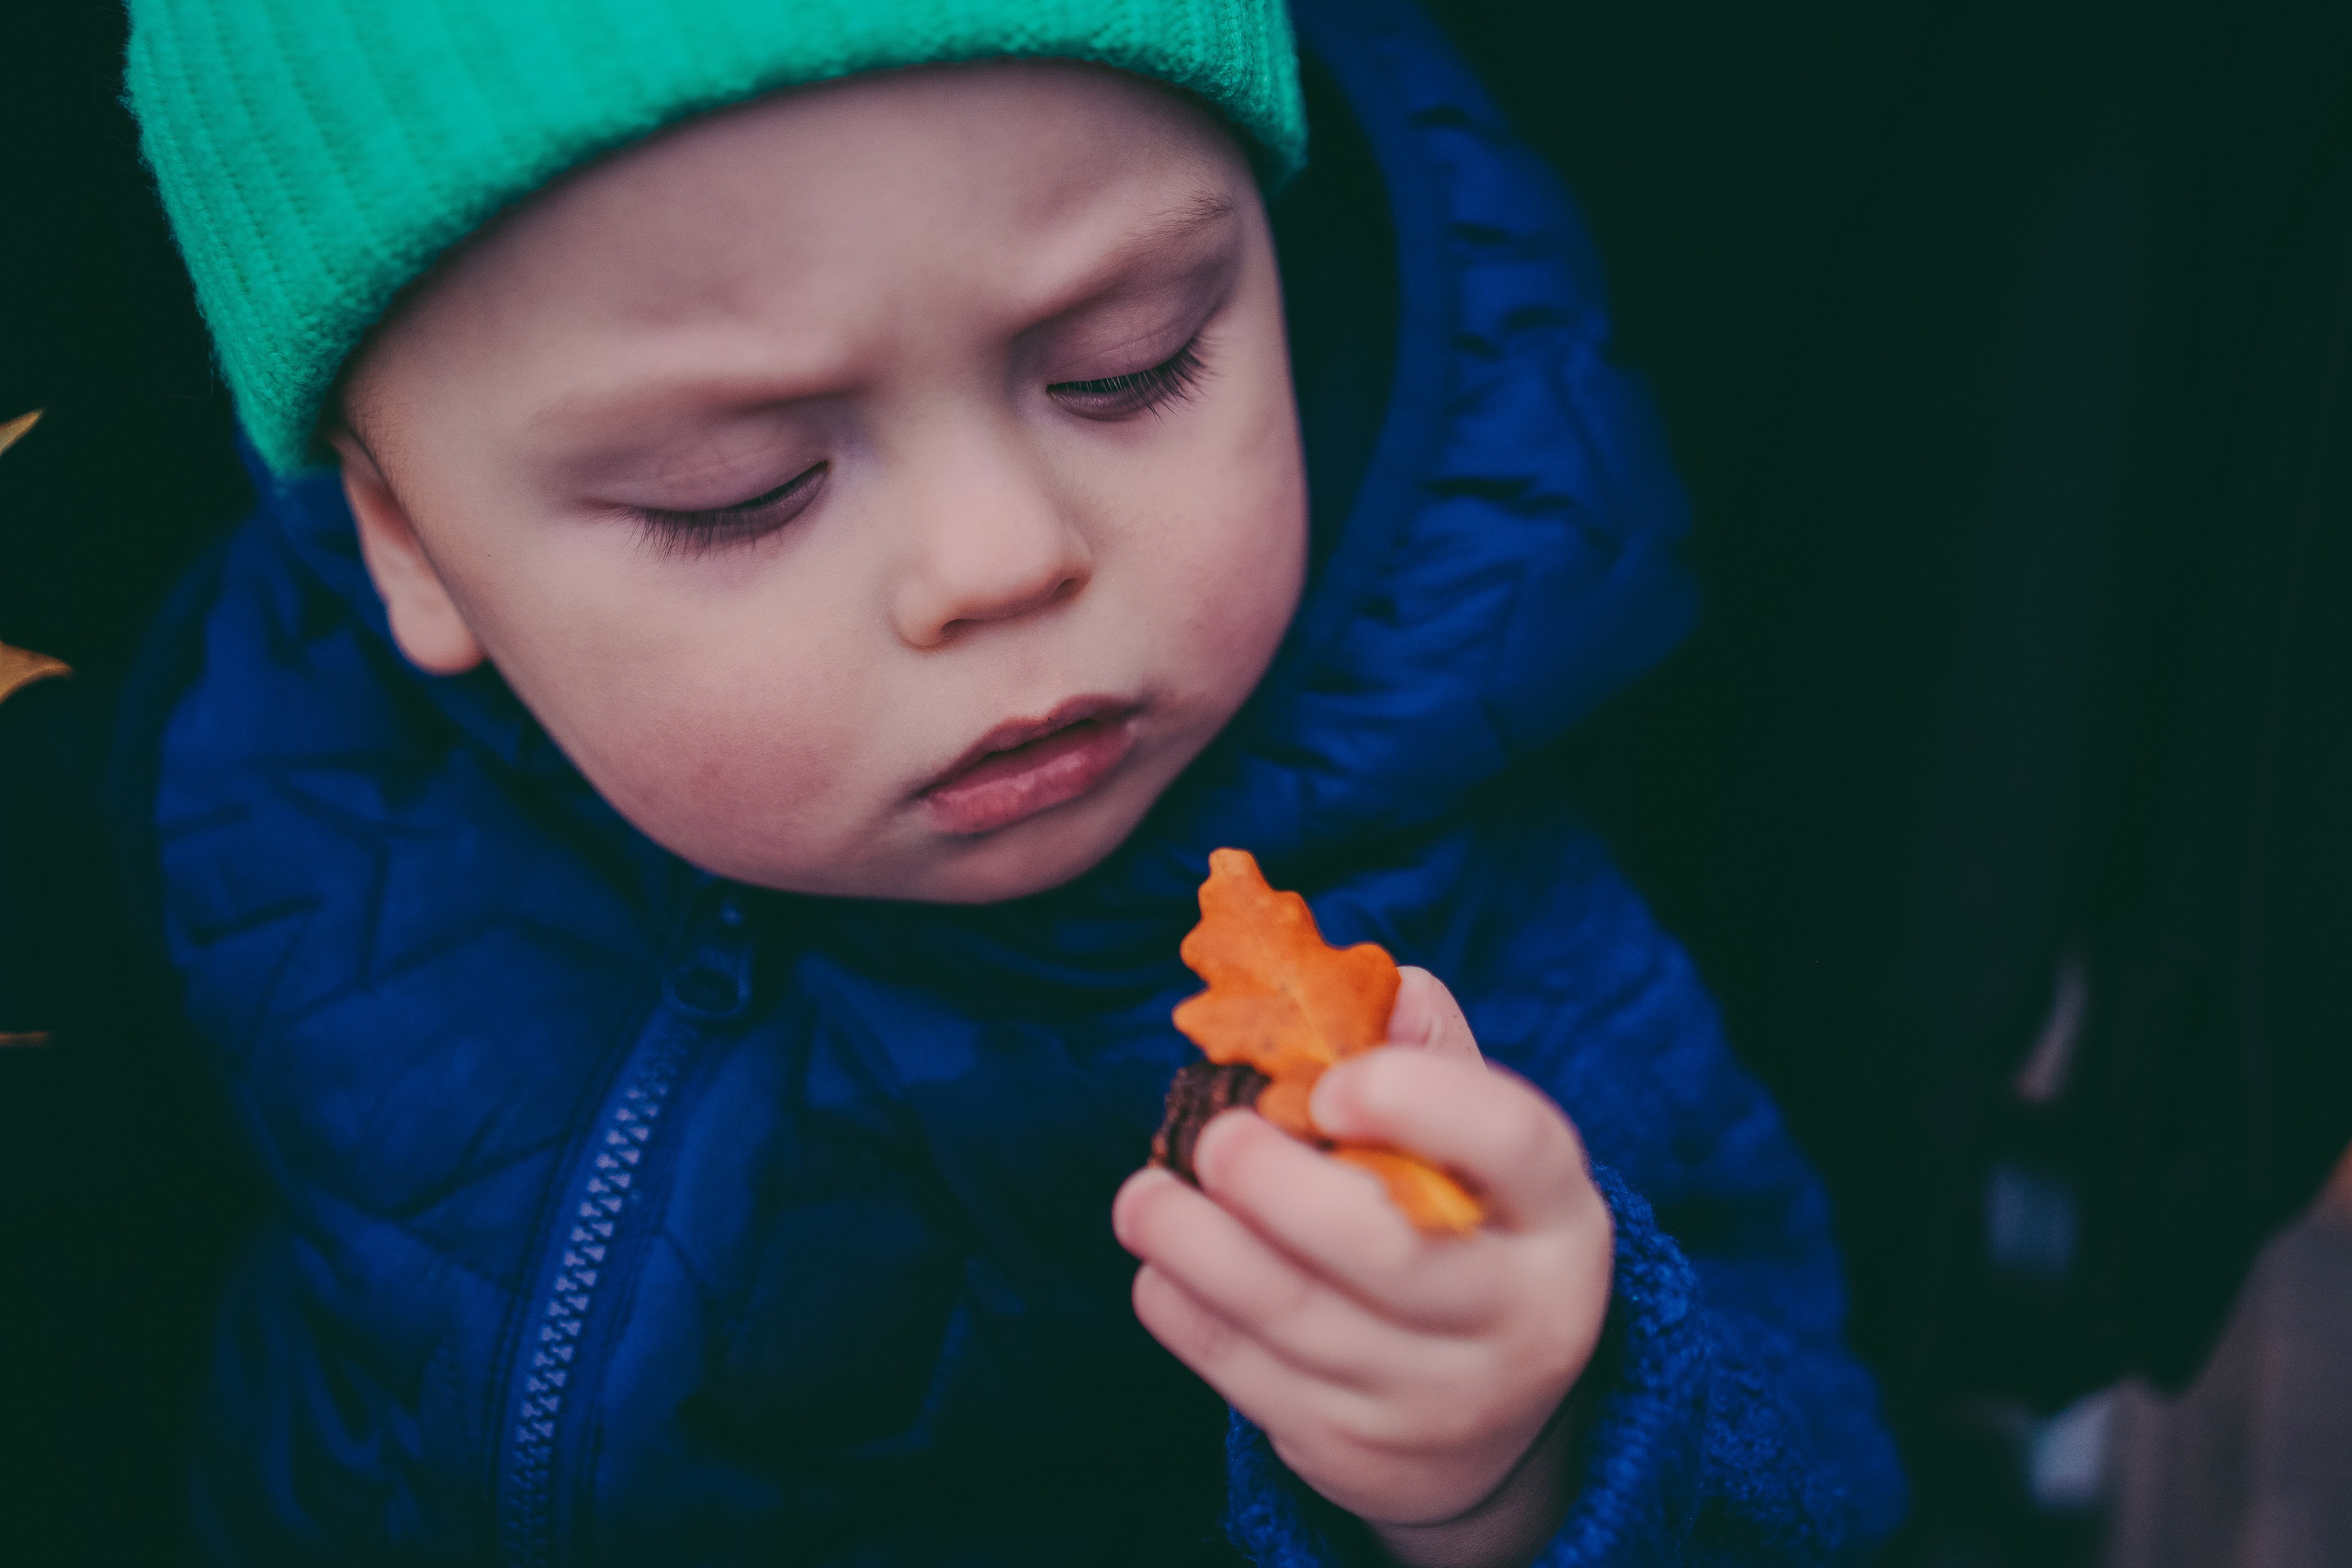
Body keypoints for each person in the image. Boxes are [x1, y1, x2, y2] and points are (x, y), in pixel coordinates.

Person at [117, 0, 1904, 1561]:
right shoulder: (260, 759)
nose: (999, 557)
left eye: (1126, 366)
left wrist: (1509, 1453)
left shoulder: (1449, 929)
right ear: (400, 540)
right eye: (735, 484)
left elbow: (1815, 1465)